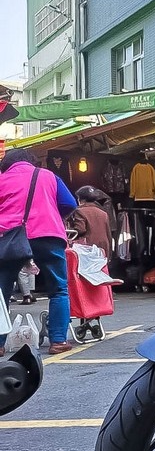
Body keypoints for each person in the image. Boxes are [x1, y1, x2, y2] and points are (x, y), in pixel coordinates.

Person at [0, 149, 77, 357]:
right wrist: (50, 212)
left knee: (1, 293)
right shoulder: (49, 176)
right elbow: (70, 203)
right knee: (59, 289)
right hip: (48, 234)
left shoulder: (2, 179)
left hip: (9, 237)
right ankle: (58, 341)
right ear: (32, 162)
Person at [71, 186, 113, 259]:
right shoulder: (103, 213)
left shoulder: (80, 211)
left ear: (81, 199)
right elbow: (108, 234)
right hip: (103, 250)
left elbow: (80, 229)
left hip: (88, 250)